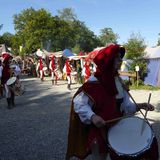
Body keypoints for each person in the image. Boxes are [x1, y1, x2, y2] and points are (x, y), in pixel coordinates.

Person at [66, 44, 159, 160]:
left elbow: (126, 106)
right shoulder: (93, 83)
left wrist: (141, 105)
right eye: (117, 57)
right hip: (100, 130)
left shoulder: (118, 81)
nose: (121, 60)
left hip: (120, 126)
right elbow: (79, 103)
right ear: (108, 60)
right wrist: (93, 116)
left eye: (121, 57)